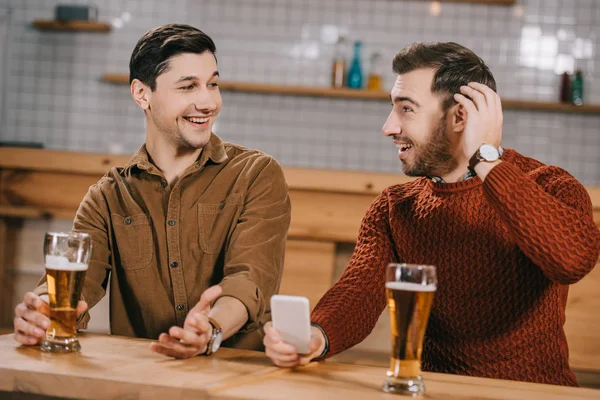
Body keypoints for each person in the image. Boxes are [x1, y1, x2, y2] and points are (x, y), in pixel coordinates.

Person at [263, 42, 600, 386]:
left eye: (405, 109)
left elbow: (571, 261)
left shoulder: (549, 185)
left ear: (460, 116)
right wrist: (316, 337)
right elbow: (358, 292)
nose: (388, 127)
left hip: (536, 395)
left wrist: (486, 161)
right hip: (436, 391)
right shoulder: (396, 206)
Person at [13, 24, 291, 359]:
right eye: (188, 87)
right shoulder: (107, 197)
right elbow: (73, 288)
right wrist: (40, 313)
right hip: (147, 377)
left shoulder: (256, 175)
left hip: (239, 373)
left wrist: (210, 328)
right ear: (142, 94)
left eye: (212, 84)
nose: (208, 102)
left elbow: (249, 280)